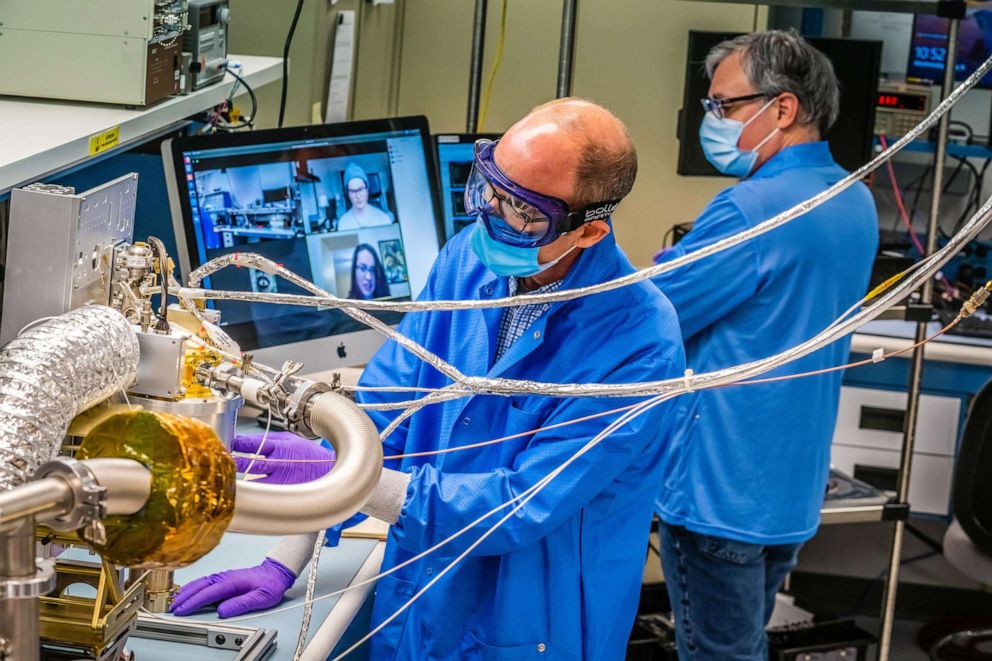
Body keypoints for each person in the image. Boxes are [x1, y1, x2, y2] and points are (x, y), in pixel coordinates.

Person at [172, 98, 686, 660]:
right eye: (489, 185)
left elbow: (519, 506)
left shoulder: (639, 342)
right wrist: (285, 556)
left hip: (533, 625)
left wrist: (354, 482)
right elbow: (383, 414)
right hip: (420, 593)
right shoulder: (467, 259)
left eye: (520, 209)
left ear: (586, 233)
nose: (487, 214)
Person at [650, 30, 879, 660]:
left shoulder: (751, 209)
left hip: (718, 492)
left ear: (782, 108)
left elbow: (656, 316)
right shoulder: (854, 200)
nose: (712, 120)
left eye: (724, 106)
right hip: (787, 491)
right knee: (743, 645)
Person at [336, 162, 394, 230]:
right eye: (352, 191)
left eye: (360, 189)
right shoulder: (343, 223)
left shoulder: (384, 219)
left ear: (367, 190)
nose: (358, 196)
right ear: (348, 194)